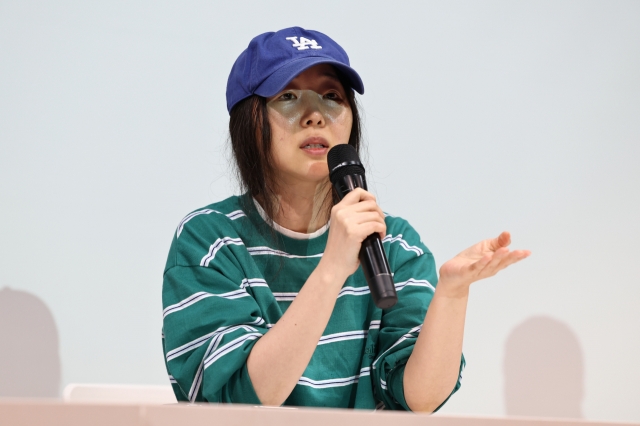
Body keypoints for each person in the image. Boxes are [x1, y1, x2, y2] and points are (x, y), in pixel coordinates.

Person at [161, 27, 530, 412]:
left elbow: (418, 398)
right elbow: (236, 401)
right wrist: (332, 268)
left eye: (332, 97)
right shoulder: (210, 241)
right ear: (249, 121)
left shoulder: (393, 242)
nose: (315, 116)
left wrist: (452, 294)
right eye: (288, 96)